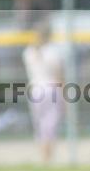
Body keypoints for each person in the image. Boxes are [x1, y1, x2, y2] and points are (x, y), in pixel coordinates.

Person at [22, 20, 64, 163]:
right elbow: (58, 75)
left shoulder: (28, 52)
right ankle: (48, 159)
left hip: (35, 90)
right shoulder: (52, 51)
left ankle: (43, 158)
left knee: (39, 125)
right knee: (50, 125)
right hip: (51, 89)